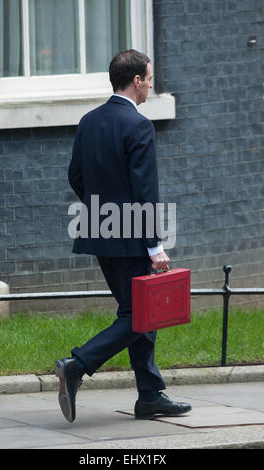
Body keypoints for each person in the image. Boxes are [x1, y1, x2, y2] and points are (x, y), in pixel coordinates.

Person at [55, 49, 192, 423]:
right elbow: (146, 191)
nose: (150, 85)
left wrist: (103, 213)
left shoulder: (89, 121)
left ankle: (150, 395)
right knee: (141, 317)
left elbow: (75, 177)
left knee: (137, 312)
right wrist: (155, 246)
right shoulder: (138, 125)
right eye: (149, 79)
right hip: (133, 238)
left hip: (100, 233)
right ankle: (77, 364)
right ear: (136, 81)